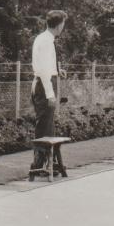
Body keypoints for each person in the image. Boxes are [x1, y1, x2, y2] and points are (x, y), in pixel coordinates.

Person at [30, 10, 67, 171]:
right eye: (63, 24)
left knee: (47, 126)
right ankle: (38, 164)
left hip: (44, 82)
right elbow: (43, 70)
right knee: (44, 127)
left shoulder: (45, 39)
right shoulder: (45, 41)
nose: (63, 27)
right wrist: (50, 94)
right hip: (44, 85)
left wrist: (58, 71)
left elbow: (46, 65)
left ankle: (47, 163)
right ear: (59, 25)